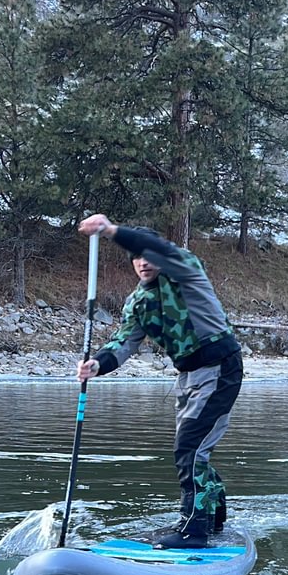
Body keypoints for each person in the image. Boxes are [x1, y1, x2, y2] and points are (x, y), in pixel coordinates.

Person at [77, 214, 243, 550]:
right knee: (192, 449)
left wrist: (111, 230)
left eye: (148, 255)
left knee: (190, 448)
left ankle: (192, 531)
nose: (143, 262)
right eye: (137, 258)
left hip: (220, 367)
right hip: (187, 377)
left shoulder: (185, 270)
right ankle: (213, 516)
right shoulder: (138, 302)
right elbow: (123, 343)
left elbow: (151, 245)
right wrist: (97, 364)